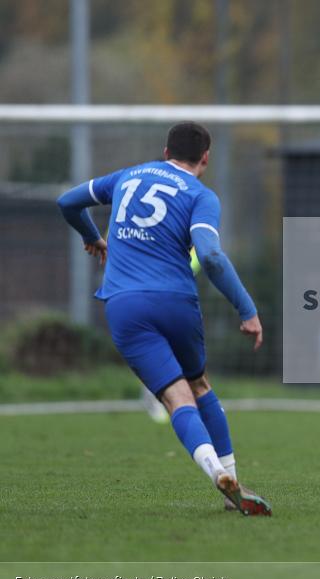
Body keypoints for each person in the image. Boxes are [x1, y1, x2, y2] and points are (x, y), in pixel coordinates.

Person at [57, 121, 272, 515]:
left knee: (175, 398)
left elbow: (68, 202)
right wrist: (247, 309)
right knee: (199, 385)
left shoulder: (126, 176)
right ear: (204, 158)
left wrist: (91, 236)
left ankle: (214, 473)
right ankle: (231, 475)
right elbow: (209, 256)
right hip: (174, 301)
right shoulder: (201, 195)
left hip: (123, 305)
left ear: (164, 150)